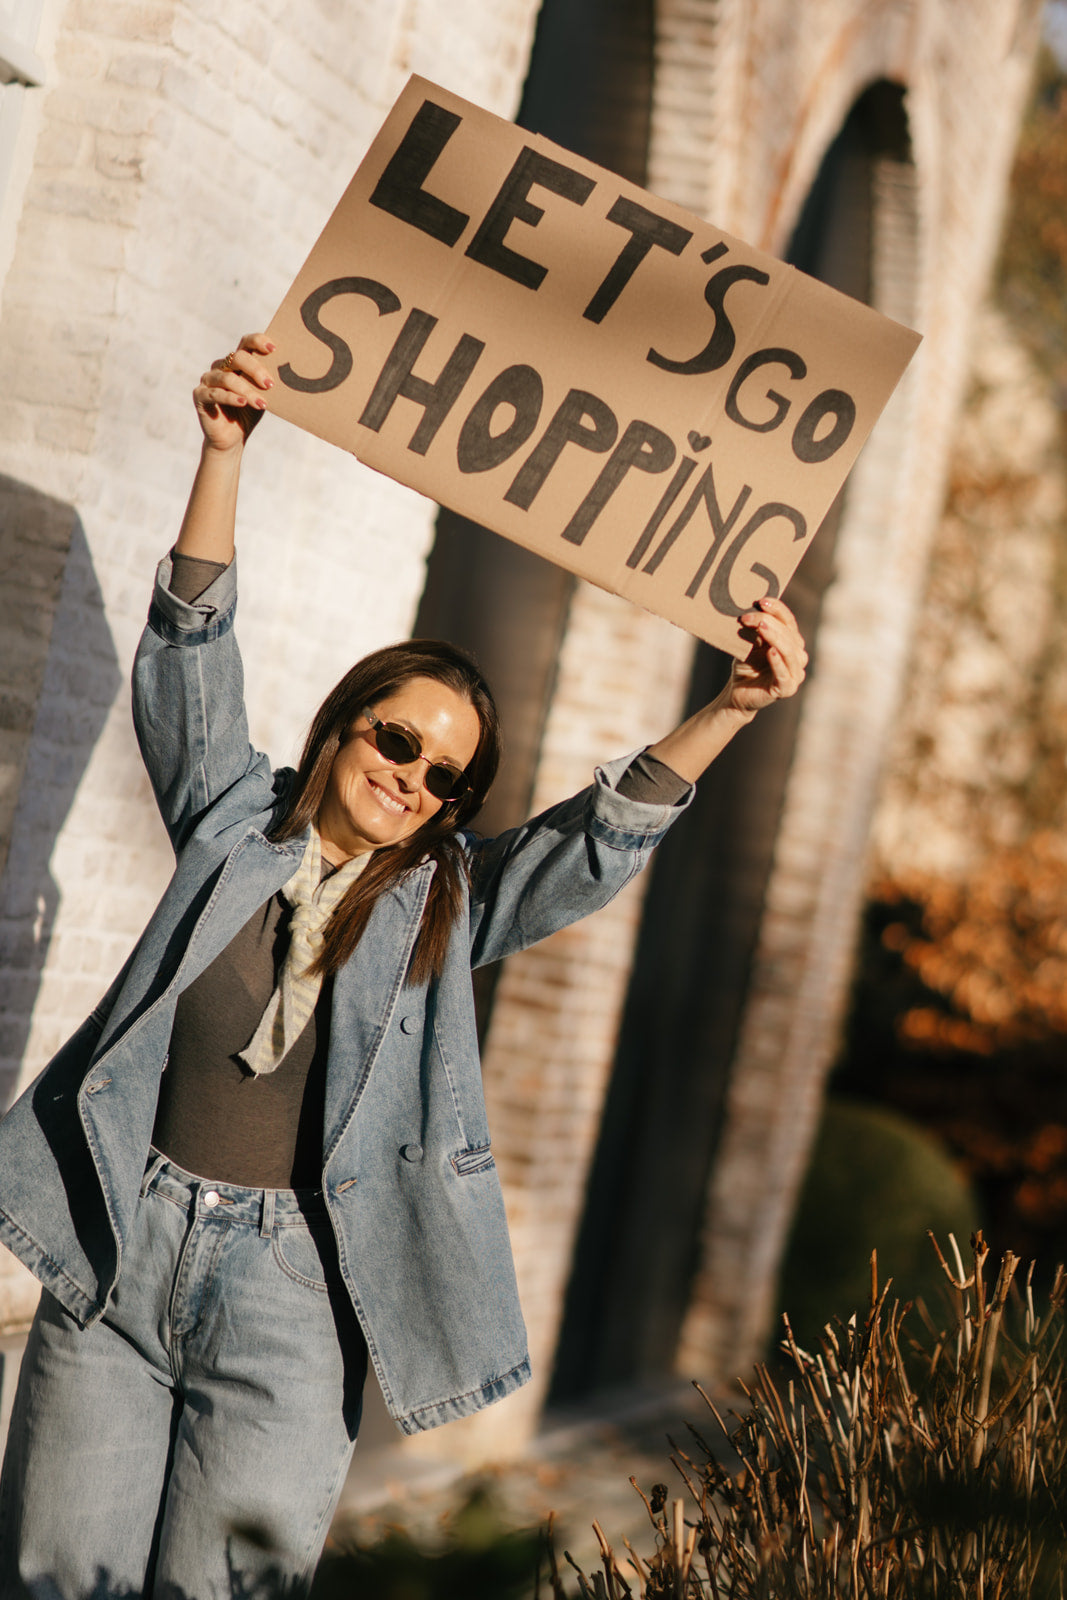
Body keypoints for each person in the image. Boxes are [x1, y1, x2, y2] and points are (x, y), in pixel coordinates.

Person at [0, 333, 808, 1599]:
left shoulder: (441, 902)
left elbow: (588, 848)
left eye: (445, 778)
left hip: (290, 1299)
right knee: (54, 1579)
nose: (412, 778)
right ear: (341, 725)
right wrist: (224, 452)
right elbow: (190, 645)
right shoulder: (230, 823)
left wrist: (732, 708)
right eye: (395, 740)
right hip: (119, 1251)